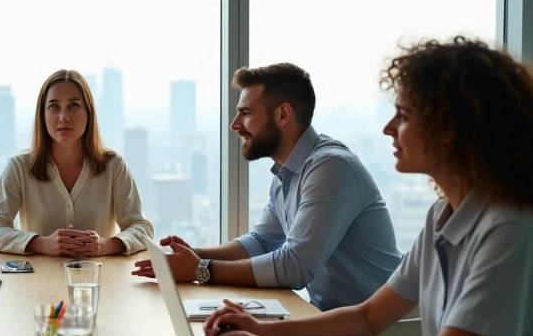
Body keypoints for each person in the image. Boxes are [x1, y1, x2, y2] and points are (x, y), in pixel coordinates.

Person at [200, 38, 533, 336]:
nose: (389, 128)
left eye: (404, 115)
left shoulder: (512, 231)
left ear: (453, 129)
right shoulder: (444, 216)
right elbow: (368, 317)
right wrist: (264, 332)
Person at [133, 63, 400, 310]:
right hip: (332, 317)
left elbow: (295, 268)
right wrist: (193, 255)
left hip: (383, 329)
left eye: (246, 113)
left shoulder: (331, 167)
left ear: (283, 114)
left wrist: (201, 268)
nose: (235, 125)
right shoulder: (289, 168)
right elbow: (262, 241)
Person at [0, 69, 152, 257]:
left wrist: (105, 245)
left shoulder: (114, 165)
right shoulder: (19, 166)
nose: (63, 117)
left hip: (99, 280)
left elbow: (141, 227)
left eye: (73, 106)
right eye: (54, 107)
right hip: (36, 282)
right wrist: (41, 243)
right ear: (43, 115)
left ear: (88, 112)